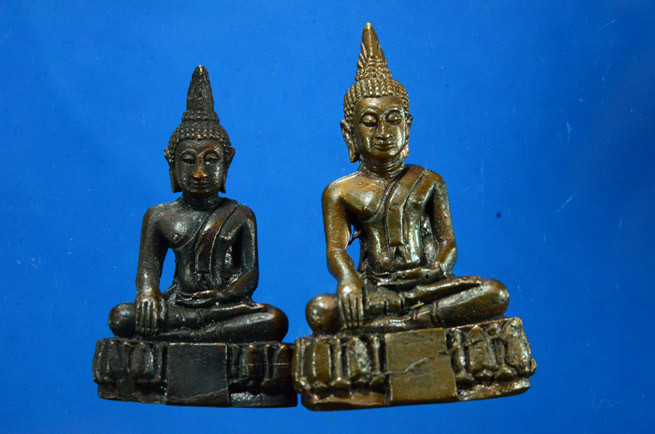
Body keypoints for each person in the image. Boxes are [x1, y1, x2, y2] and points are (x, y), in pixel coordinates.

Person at [306, 24, 509, 334]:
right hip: (376, 288)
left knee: (495, 293)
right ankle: (412, 317)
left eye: (393, 120)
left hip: (427, 286)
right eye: (370, 122)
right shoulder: (340, 192)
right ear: (349, 134)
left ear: (407, 126)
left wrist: (438, 268)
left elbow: (448, 241)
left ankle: (406, 322)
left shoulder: (429, 181)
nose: (384, 133)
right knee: (320, 310)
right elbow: (336, 250)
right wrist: (348, 280)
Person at [109, 66, 287, 342]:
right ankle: (200, 330)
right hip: (179, 304)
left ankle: (193, 331)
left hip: (223, 307)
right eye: (189, 161)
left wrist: (221, 296)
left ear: (227, 163)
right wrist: (147, 294)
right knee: (121, 316)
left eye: (211, 160)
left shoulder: (241, 215)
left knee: (274, 319)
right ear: (172, 164)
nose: (200, 173)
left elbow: (249, 274)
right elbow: (147, 272)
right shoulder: (159, 216)